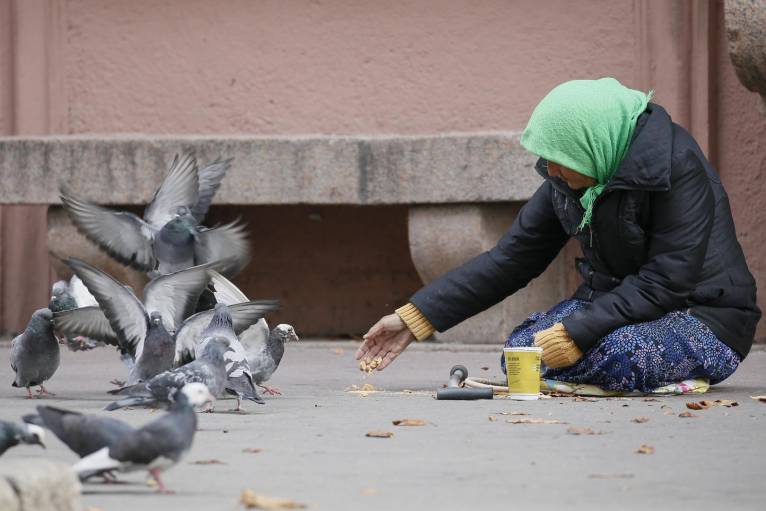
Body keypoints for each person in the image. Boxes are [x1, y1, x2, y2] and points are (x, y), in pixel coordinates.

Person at [357, 77, 761, 392]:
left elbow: (667, 281)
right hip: (617, 309)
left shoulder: (678, 168)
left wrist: (578, 331)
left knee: (619, 355)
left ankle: (649, 373)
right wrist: (415, 318)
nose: (550, 170)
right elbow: (511, 259)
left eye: (559, 158)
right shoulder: (569, 181)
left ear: (590, 145)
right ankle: (608, 373)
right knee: (523, 354)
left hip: (703, 316)